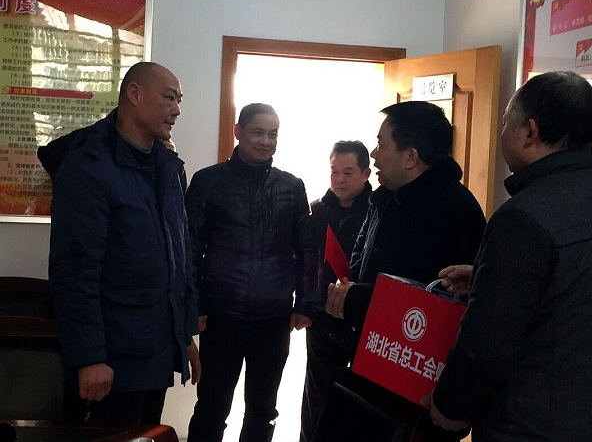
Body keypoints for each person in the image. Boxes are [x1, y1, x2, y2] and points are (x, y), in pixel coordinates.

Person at [425, 71, 592, 441]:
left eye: (505, 123)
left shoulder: (523, 218)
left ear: (529, 132)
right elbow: (580, 303)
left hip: (526, 428)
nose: (502, 132)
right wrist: (487, 277)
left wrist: (449, 406)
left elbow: (486, 346)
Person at [40, 61, 200, 424]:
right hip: (111, 360)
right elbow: (75, 270)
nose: (176, 110)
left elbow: (179, 255)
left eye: (179, 100)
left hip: (157, 350)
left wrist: (183, 335)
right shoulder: (89, 165)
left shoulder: (167, 166)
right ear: (134, 94)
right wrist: (90, 358)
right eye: (169, 98)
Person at [324, 100, 486, 441]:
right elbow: (363, 256)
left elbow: (438, 302)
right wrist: (349, 291)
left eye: (381, 144)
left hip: (420, 392)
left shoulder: (457, 211)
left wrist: (356, 299)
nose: (374, 154)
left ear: (410, 157)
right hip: (374, 362)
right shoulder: (385, 197)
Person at [185, 102, 317, 442]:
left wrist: (305, 303)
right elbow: (190, 248)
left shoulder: (292, 186)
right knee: (212, 407)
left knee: (263, 410)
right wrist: (196, 304)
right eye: (258, 132)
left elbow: (306, 249)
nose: (266, 141)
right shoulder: (208, 182)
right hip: (222, 314)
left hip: (274, 318)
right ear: (238, 131)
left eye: (273, 134)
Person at [299, 140, 372, 442]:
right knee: (316, 398)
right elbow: (304, 260)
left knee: (360, 401)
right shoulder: (317, 210)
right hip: (322, 318)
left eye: (348, 172)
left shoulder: (378, 211)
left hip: (363, 320)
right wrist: (304, 306)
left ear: (366, 173)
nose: (339, 179)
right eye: (334, 172)